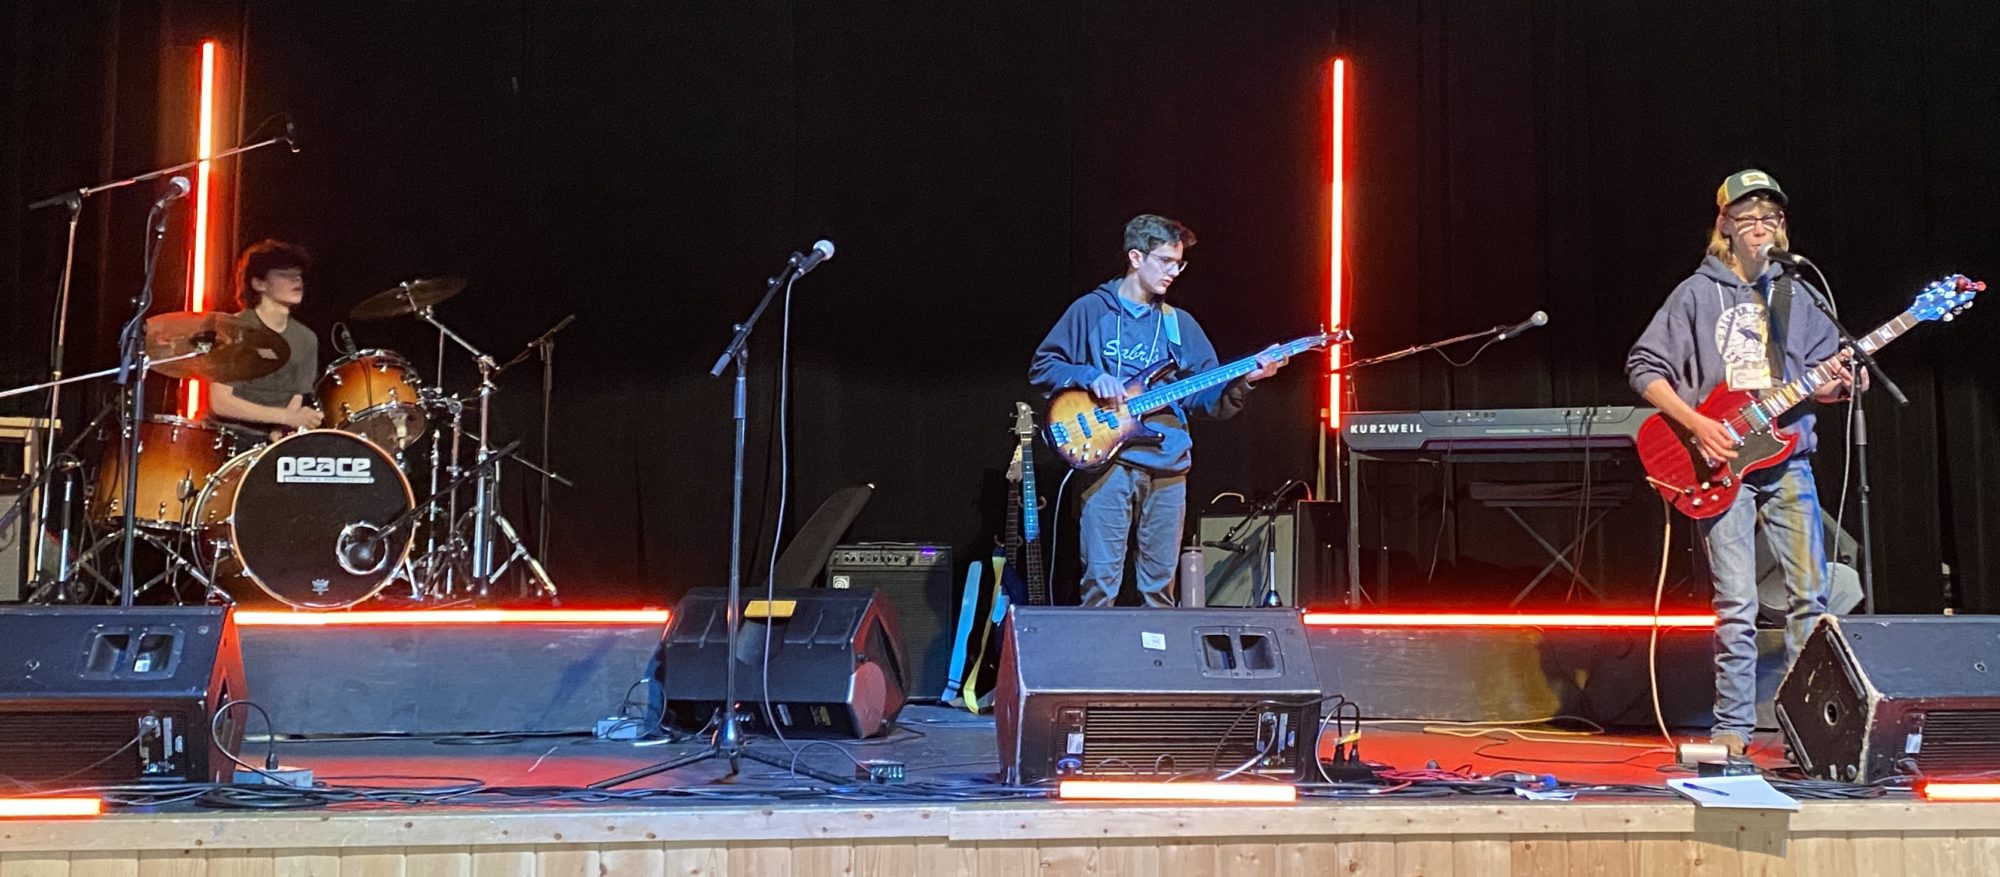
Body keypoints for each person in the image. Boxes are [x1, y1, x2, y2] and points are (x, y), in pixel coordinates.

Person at [1626, 169, 1861, 756]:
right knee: (1737, 603)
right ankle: (1731, 728)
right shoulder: (1696, 293)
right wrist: (1697, 424)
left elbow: (1816, 380)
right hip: (1718, 460)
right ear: (1725, 225)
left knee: (1812, 596)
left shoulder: (1798, 294)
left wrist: (1840, 385)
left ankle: (1806, 727)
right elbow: (1643, 367)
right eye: (1748, 217)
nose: (1760, 227)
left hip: (1787, 458)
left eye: (1770, 217)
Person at [1029, 214, 1288, 608]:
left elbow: (1206, 398)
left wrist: (1247, 380)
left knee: (1160, 589)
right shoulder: (1091, 310)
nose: (1173, 272)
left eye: (1179, 264)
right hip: (1109, 462)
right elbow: (1044, 366)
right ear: (1136, 257)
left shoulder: (1178, 324)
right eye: (1165, 261)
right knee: (1100, 583)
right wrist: (1090, 376)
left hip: (1168, 467)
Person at [207, 239, 324, 445]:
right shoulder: (233, 329)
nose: (296, 280)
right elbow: (220, 403)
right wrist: (286, 418)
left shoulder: (307, 339)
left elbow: (295, 397)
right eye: (285, 275)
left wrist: (281, 428)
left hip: (271, 442)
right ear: (259, 283)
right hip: (228, 438)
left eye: (298, 274)